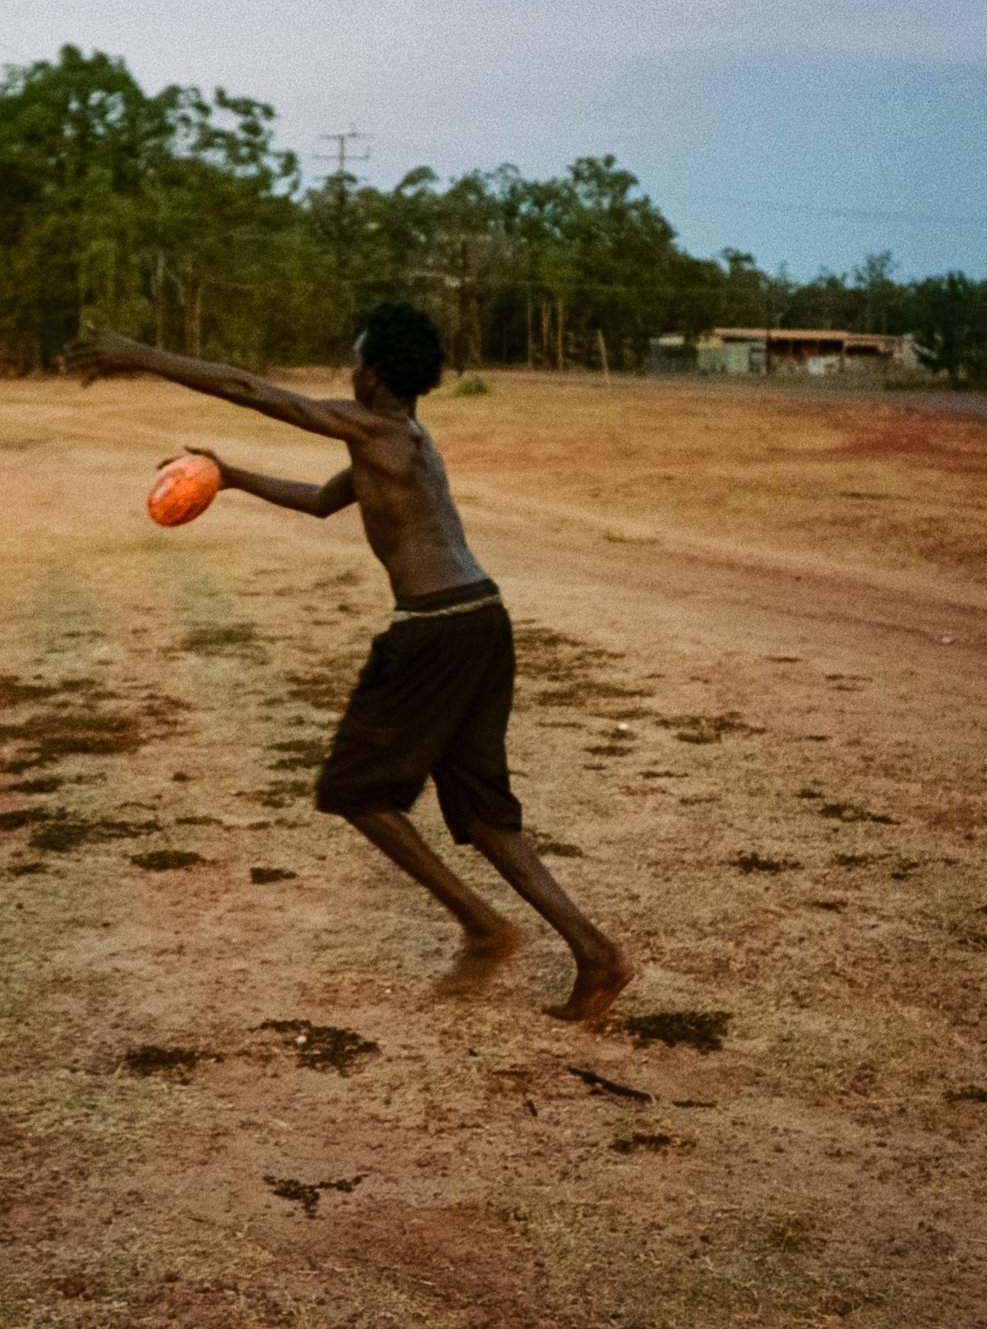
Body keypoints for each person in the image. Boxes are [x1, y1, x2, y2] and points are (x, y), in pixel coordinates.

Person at [66, 303, 634, 1023]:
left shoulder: (376, 428)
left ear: (372, 373)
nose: (348, 371)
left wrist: (139, 354)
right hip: (479, 620)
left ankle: (483, 926)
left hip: (434, 629)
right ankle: (598, 954)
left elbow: (252, 389)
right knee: (487, 819)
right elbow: (319, 501)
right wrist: (230, 474)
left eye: (354, 359)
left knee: (354, 789)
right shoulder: (401, 440)